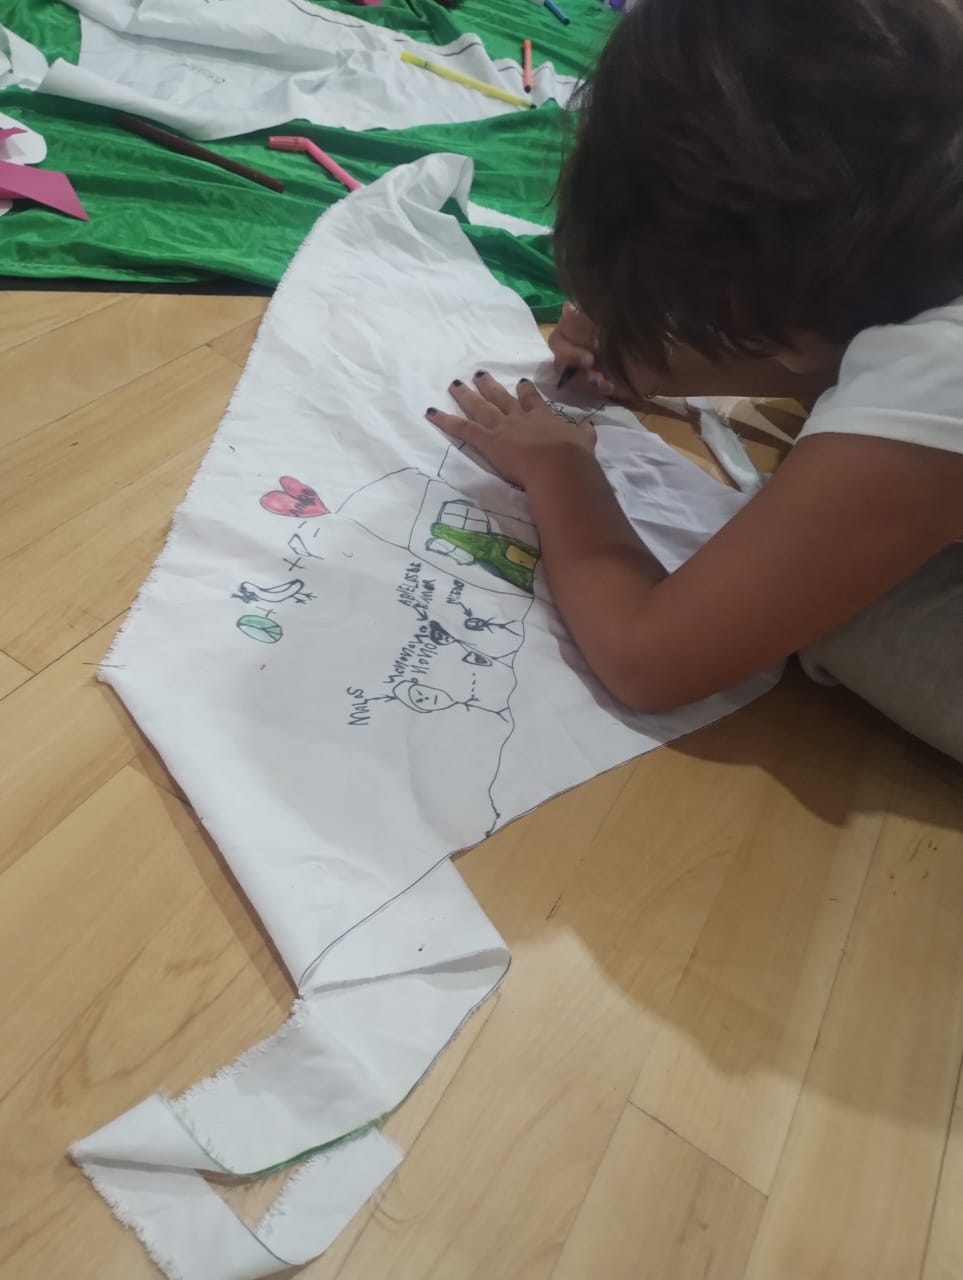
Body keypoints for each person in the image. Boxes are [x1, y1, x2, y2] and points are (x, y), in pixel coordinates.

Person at [425, 0, 963, 763]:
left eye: (656, 306)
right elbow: (830, 357)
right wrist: (662, 341)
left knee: (840, 606)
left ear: (753, 306)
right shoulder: (917, 225)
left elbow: (648, 659)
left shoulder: (939, 366)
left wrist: (560, 467)